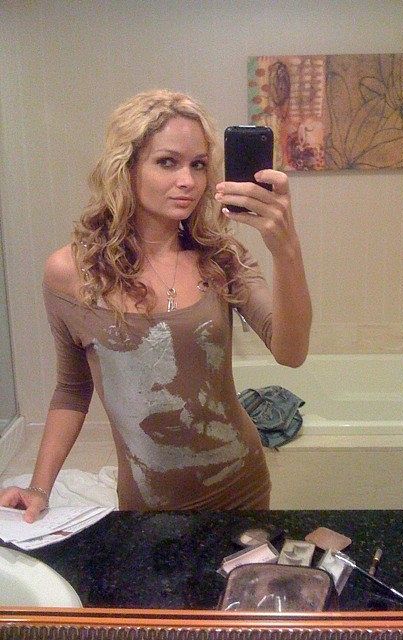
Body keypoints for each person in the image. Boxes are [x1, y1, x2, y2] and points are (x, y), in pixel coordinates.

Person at [0, 89, 311, 521]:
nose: (188, 181)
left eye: (198, 165)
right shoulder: (71, 272)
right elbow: (72, 390)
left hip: (240, 485)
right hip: (146, 500)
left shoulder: (222, 258)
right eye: (167, 162)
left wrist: (286, 249)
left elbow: (291, 352)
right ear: (126, 168)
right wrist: (39, 488)